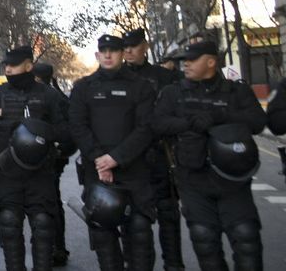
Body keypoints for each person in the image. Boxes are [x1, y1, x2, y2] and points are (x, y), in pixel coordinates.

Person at [151, 40, 267, 270]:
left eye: (192, 60)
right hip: (193, 177)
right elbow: (157, 123)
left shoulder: (237, 91)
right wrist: (189, 123)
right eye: (183, 61)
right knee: (204, 239)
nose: (186, 65)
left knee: (246, 238)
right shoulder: (173, 93)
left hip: (232, 179)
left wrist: (220, 116)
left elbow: (258, 122)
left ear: (211, 62)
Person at [0, 46, 69, 271]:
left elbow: (67, 132)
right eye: (6, 64)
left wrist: (42, 131)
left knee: (44, 226)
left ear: (28, 65)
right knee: (9, 223)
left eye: (13, 65)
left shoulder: (48, 95)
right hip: (8, 173)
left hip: (40, 174)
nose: (7, 68)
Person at [69, 35, 157, 271]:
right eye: (103, 51)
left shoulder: (141, 87)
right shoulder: (83, 88)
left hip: (134, 172)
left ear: (122, 54)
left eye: (113, 51)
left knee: (139, 234)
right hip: (97, 173)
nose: (108, 55)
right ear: (97, 55)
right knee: (104, 237)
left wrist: (115, 159)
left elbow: (145, 128)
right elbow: (78, 126)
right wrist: (101, 160)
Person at [122, 27, 186, 271]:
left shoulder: (165, 77)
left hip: (160, 154)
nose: (128, 51)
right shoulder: (115, 79)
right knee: (133, 219)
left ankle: (174, 264)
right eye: (124, 47)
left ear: (145, 47)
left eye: (133, 46)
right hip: (130, 158)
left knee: (168, 214)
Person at [32, 61, 76, 267]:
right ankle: (57, 247)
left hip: (48, 159)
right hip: (53, 158)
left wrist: (59, 151)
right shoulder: (58, 96)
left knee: (47, 205)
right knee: (53, 203)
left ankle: (53, 248)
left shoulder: (49, 98)